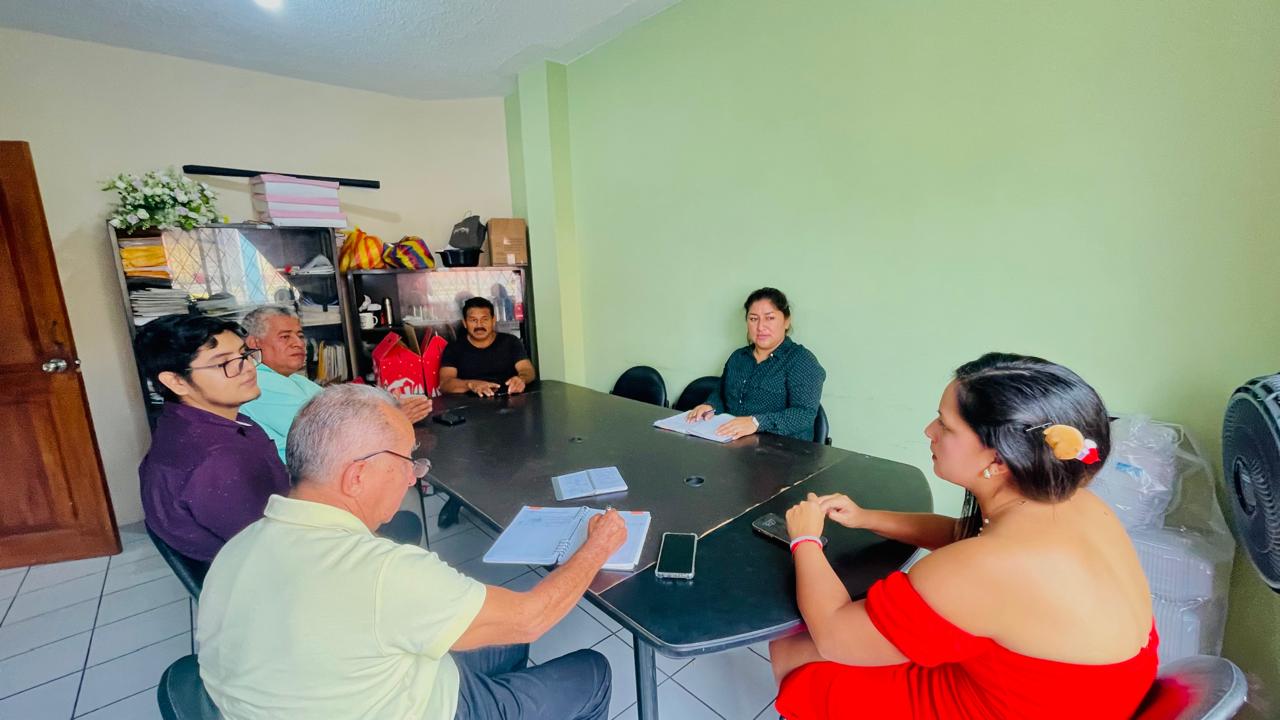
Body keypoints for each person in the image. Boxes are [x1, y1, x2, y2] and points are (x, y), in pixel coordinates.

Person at [198, 384, 623, 720]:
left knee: (505, 646)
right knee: (592, 670)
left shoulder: (238, 548)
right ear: (357, 476)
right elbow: (530, 618)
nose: (411, 477)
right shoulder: (383, 572)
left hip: (356, 691)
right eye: (406, 460)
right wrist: (597, 547)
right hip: (421, 709)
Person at [770, 353, 1158, 719]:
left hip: (1030, 707)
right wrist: (865, 517)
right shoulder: (1075, 503)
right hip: (1092, 691)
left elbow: (835, 637)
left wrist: (805, 539)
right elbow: (966, 535)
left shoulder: (988, 566)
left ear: (998, 459)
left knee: (793, 649)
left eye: (945, 424)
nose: (929, 431)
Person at [135, 314, 289, 563]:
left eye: (244, 354)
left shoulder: (191, 424)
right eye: (223, 363)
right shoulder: (216, 460)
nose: (249, 367)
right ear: (176, 381)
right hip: (265, 568)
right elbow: (271, 549)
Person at [240, 304, 432, 461]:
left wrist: (388, 405)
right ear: (254, 343)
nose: (298, 343)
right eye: (285, 337)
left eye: (300, 335)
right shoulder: (258, 382)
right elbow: (331, 435)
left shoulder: (292, 378)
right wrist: (393, 418)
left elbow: (341, 407)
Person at [685, 287, 825, 441]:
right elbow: (722, 393)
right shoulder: (738, 357)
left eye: (769, 318)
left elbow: (804, 414)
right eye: (753, 319)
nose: (760, 327)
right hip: (732, 442)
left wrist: (756, 423)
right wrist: (711, 406)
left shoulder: (801, 360)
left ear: (786, 321)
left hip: (782, 449)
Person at [439, 297, 536, 397]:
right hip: (469, 404)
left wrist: (521, 379)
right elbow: (445, 384)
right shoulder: (454, 348)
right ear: (464, 323)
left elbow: (527, 370)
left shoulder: (510, 342)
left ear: (493, 320)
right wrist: (470, 385)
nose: (479, 325)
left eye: (485, 319)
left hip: (509, 399)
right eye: (473, 320)